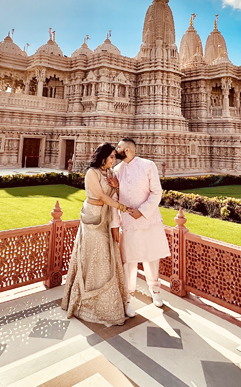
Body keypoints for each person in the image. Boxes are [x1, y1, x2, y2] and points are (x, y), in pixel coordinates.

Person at [62, 143, 131, 326]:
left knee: (107, 256)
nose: (113, 160)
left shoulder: (110, 173)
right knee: (94, 254)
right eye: (111, 157)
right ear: (102, 158)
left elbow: (113, 194)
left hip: (106, 217)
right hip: (92, 217)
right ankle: (86, 303)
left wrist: (117, 186)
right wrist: (124, 208)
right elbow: (101, 196)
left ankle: (107, 304)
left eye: (114, 157)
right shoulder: (92, 173)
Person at [114, 137, 171, 317]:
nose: (116, 150)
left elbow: (157, 191)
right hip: (128, 223)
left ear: (127, 150)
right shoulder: (116, 171)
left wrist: (143, 211)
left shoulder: (148, 165)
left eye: (119, 147)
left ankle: (155, 290)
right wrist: (115, 225)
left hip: (148, 221)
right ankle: (127, 298)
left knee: (151, 258)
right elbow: (115, 199)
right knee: (129, 261)